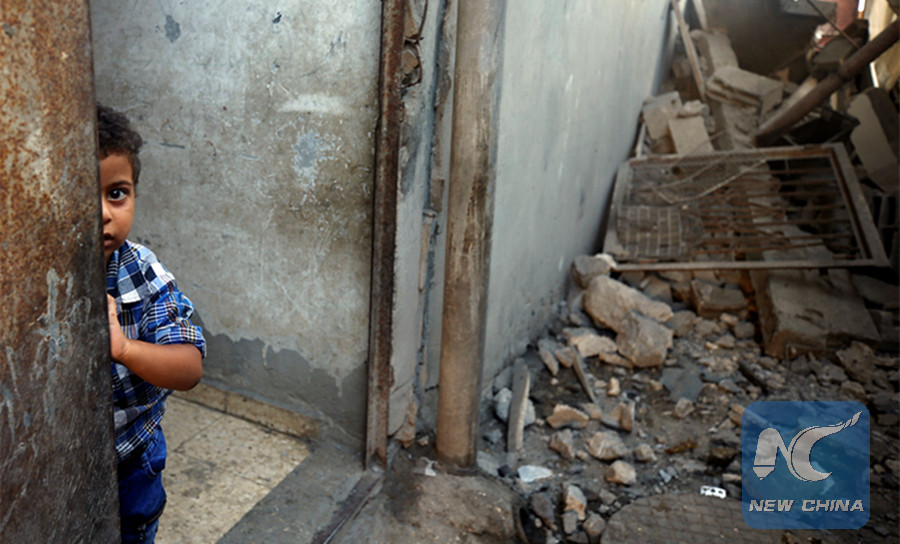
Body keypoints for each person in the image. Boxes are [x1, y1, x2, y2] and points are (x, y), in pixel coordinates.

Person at [98, 104, 206, 543]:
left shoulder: (141, 270)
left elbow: (189, 367)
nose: (104, 213)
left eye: (116, 193)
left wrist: (125, 349)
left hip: (132, 459)